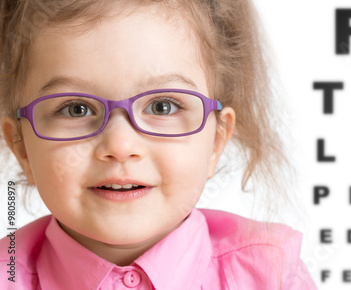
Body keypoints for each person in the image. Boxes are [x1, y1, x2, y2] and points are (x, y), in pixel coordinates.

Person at [0, 0, 316, 289]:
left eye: (162, 107)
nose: (121, 145)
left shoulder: (271, 275)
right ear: (21, 146)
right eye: (76, 109)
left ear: (217, 140)